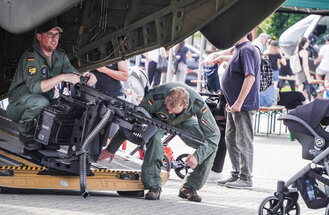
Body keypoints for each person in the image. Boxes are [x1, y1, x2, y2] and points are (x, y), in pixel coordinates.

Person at [98, 82, 220, 202]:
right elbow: (131, 123)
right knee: (154, 138)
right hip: (156, 120)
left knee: (208, 145)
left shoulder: (197, 103)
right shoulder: (155, 98)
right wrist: (112, 148)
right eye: (168, 108)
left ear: (185, 105)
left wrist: (198, 156)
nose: (170, 112)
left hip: (183, 120)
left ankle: (189, 188)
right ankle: (153, 187)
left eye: (173, 110)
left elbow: (214, 135)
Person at [6, 19, 96, 151]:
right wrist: (63, 77)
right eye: (49, 34)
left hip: (43, 102)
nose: (54, 39)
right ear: (39, 37)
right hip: (18, 107)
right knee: (41, 102)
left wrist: (87, 77)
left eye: (57, 35)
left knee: (62, 106)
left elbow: (72, 73)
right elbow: (36, 88)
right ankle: (26, 134)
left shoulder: (59, 56)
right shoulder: (31, 58)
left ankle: (45, 137)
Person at [206, 33, 260, 189]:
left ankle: (246, 177)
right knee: (230, 139)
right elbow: (239, 65)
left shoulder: (246, 49)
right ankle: (236, 174)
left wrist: (239, 102)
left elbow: (250, 77)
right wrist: (223, 58)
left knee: (243, 140)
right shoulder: (239, 49)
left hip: (242, 105)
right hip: (232, 104)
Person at [91, 60, 128, 143]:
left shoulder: (118, 51)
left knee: (110, 136)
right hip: (92, 95)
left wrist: (103, 69)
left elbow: (125, 76)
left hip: (113, 97)